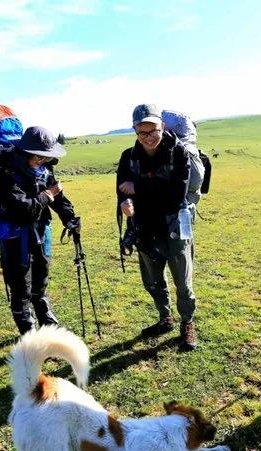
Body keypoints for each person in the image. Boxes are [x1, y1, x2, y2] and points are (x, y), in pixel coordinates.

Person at [116, 104, 198, 350]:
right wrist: (125, 203)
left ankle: (187, 323)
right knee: (152, 280)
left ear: (162, 125)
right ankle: (165, 318)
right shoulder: (127, 157)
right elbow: (121, 188)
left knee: (183, 281)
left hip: (174, 226)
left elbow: (175, 196)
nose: (149, 137)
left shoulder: (179, 154)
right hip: (144, 227)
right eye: (142, 132)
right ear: (134, 131)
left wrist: (138, 189)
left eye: (153, 130)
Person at [0, 126, 80, 335]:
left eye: (45, 157)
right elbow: (23, 209)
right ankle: (30, 335)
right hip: (15, 238)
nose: (42, 161)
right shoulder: (6, 172)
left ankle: (48, 324)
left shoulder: (44, 169)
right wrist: (47, 195)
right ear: (26, 152)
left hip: (41, 233)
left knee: (40, 281)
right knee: (20, 287)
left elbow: (58, 196)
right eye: (39, 157)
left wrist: (70, 218)